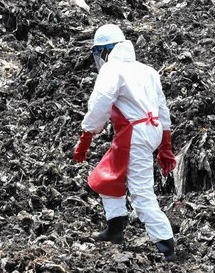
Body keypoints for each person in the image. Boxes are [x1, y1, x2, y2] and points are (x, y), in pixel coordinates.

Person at [72, 24, 178, 261]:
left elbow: (100, 103)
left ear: (105, 50)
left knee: (141, 193)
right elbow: (162, 108)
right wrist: (166, 145)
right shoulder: (148, 71)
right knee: (107, 175)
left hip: (134, 134)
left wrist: (86, 136)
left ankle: (165, 243)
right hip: (148, 130)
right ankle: (115, 227)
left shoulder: (112, 70)